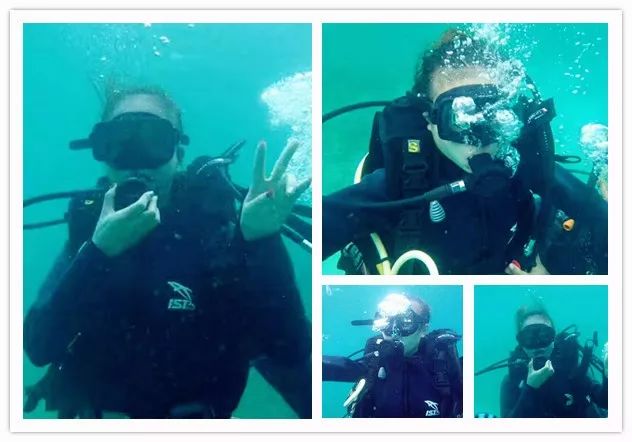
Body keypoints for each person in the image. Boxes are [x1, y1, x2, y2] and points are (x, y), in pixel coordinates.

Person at [23, 86, 312, 419]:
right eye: (118, 144)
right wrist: (99, 254)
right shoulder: (89, 229)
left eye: (154, 141)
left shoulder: (214, 227)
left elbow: (290, 349)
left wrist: (262, 241)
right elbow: (39, 346)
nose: (136, 164)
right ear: (101, 153)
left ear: (179, 153)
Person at [322, 28, 607, 275]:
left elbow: (600, 214)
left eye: (493, 117)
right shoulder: (405, 182)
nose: (478, 139)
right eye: (459, 120)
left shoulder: (520, 162)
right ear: (430, 120)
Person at [322, 293, 462, 418]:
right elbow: (345, 367)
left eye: (406, 322)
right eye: (387, 322)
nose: (394, 331)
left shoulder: (442, 361)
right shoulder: (374, 363)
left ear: (423, 329)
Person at [499, 303, 607, 418]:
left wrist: (608, 374)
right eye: (529, 338)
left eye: (544, 335)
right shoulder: (514, 380)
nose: (538, 346)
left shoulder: (571, 369)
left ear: (554, 339)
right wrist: (530, 388)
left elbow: (605, 401)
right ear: (521, 344)